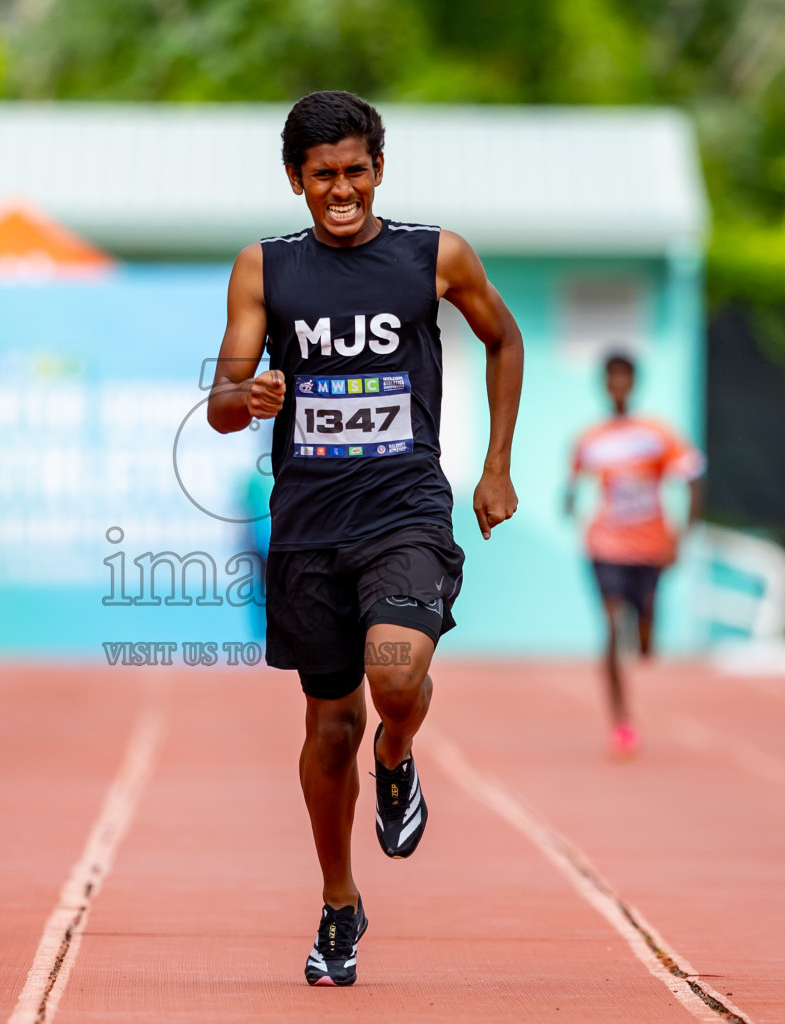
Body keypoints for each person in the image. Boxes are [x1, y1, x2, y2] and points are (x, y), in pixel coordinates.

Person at [207, 91, 523, 987]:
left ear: (378, 169)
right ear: (296, 181)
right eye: (322, 177)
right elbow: (226, 403)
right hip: (309, 525)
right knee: (329, 724)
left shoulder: (435, 255)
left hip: (407, 509)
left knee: (393, 679)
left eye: (354, 171)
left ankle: (400, 752)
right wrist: (250, 398)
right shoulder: (264, 271)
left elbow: (505, 343)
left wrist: (495, 465)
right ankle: (340, 900)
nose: (340, 190)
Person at [565, 352, 703, 758]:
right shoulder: (591, 438)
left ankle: (645, 624)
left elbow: (693, 479)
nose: (618, 386)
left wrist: (682, 535)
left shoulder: (658, 433)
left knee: (642, 638)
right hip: (605, 545)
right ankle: (622, 721)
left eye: (625, 378)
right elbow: (573, 482)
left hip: (650, 546)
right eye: (612, 379)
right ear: (605, 385)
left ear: (634, 383)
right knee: (610, 626)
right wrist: (569, 502)